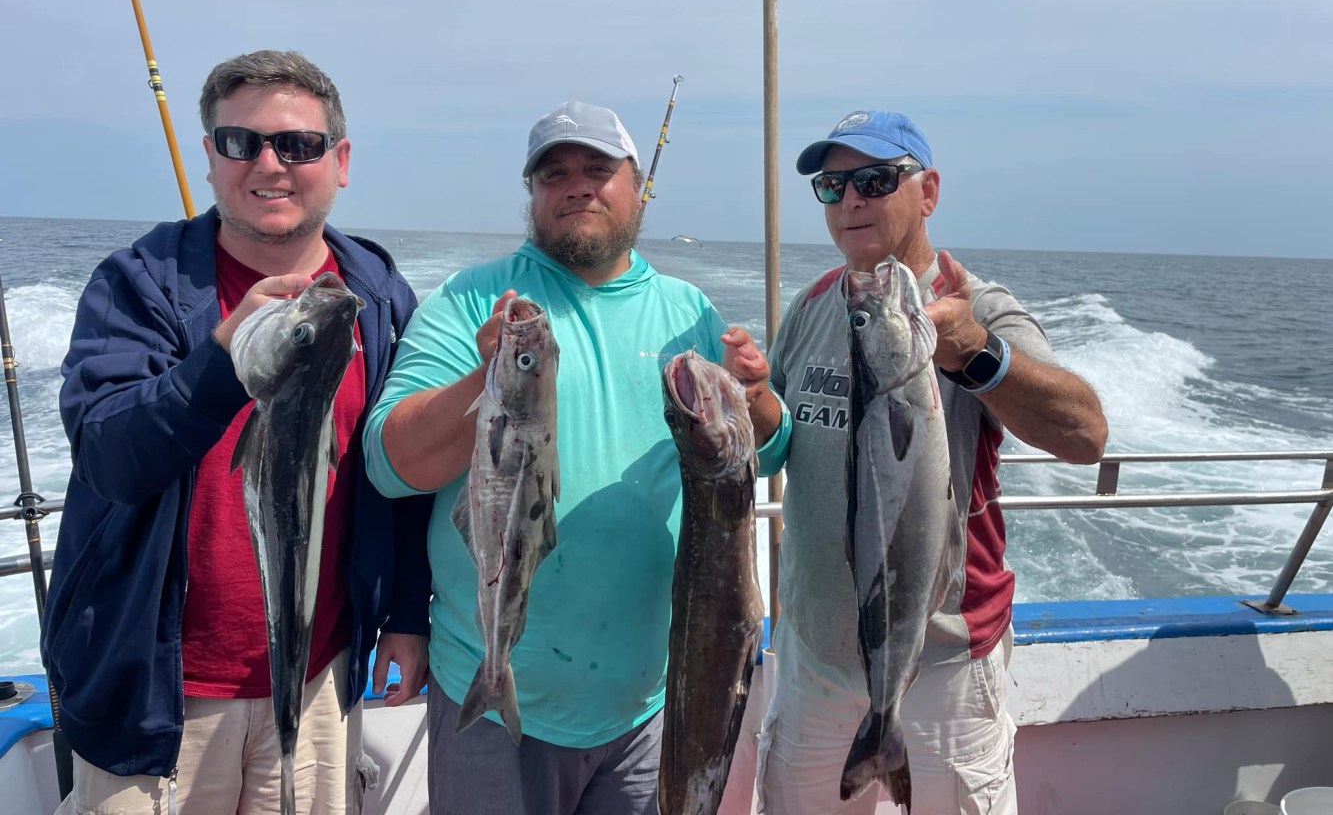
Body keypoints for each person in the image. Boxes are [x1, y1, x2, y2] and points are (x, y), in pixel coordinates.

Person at [363, 100, 783, 815]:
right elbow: (387, 463)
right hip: (490, 700)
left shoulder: (690, 311)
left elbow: (765, 453)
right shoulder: (470, 303)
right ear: (532, 194)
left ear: (634, 185)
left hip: (647, 704)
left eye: (597, 169)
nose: (576, 187)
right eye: (553, 174)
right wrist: (488, 374)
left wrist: (758, 395)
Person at [41, 49, 432, 814]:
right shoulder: (138, 283)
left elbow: (405, 469)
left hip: (321, 679)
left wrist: (409, 614)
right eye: (239, 142)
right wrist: (222, 360)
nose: (269, 163)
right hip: (155, 696)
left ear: (339, 161)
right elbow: (110, 457)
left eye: (298, 144)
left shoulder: (378, 294)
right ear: (212, 160)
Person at [754, 109, 1108, 815]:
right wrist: (748, 405)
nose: (851, 200)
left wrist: (977, 355)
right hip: (812, 658)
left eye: (875, 179)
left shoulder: (979, 311)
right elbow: (781, 443)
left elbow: (1084, 437)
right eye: (832, 186)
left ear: (928, 191)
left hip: (942, 662)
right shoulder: (814, 305)